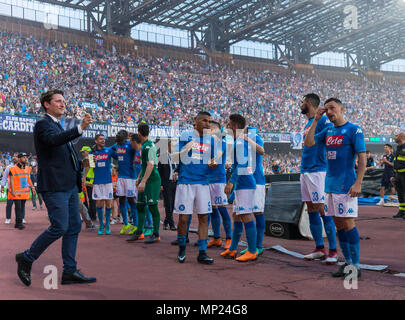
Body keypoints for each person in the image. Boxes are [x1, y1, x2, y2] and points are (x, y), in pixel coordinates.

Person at [15, 89, 96, 287]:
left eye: (63, 101)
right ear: (47, 104)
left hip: (68, 186)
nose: (63, 104)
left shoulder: (57, 126)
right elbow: (53, 141)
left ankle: (69, 271)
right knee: (60, 226)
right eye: (58, 101)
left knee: (74, 226)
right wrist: (79, 128)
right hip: (54, 186)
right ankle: (27, 258)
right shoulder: (43, 124)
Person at [304, 97, 366, 279]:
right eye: (327, 109)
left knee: (347, 223)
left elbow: (361, 158)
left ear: (341, 108)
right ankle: (347, 263)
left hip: (346, 184)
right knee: (339, 225)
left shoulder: (354, 130)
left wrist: (358, 183)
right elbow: (308, 143)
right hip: (329, 185)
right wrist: (316, 119)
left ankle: (355, 265)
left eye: (332, 108)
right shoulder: (328, 129)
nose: (329, 112)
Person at [173, 111, 217, 264]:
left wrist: (213, 163)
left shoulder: (211, 140)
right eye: (204, 121)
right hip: (186, 182)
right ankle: (182, 248)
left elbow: (213, 159)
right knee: (184, 218)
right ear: (196, 121)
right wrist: (187, 148)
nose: (207, 124)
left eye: (209, 121)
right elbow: (175, 156)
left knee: (204, 217)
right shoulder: (186, 135)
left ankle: (202, 253)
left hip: (203, 182)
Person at [299, 93, 338, 263]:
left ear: (308, 103)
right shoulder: (308, 123)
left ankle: (333, 251)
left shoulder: (322, 121)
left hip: (317, 170)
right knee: (311, 208)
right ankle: (319, 248)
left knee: (323, 210)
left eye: (302, 102)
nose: (300, 105)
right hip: (305, 170)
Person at [221, 114, 258, 262]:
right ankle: (233, 249)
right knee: (236, 215)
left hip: (245, 184)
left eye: (229, 125)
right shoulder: (239, 141)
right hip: (242, 184)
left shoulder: (240, 143)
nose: (227, 127)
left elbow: (242, 164)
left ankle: (252, 251)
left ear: (235, 127)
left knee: (246, 215)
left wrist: (231, 181)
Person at [127, 125, 162, 243]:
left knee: (152, 206)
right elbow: (145, 165)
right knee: (140, 205)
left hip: (152, 181)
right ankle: (139, 232)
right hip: (145, 179)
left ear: (139, 133)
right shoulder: (145, 145)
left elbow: (151, 165)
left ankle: (156, 233)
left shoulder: (148, 146)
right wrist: (139, 178)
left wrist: (143, 181)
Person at [239, 125, 267, 257]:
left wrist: (247, 139)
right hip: (246, 181)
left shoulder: (255, 137)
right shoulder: (240, 141)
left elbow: (262, 151)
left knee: (258, 212)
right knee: (246, 214)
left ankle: (258, 246)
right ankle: (252, 246)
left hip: (257, 181)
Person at [206, 121, 232, 250]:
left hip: (217, 180)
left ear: (215, 129)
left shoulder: (220, 142)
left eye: (209, 128)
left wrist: (214, 160)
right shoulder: (207, 143)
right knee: (212, 210)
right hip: (207, 180)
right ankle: (216, 238)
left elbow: (218, 155)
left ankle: (229, 238)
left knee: (221, 208)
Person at [110, 130, 138, 235]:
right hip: (120, 177)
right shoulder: (116, 146)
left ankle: (135, 225)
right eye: (116, 135)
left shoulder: (130, 145)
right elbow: (110, 150)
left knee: (131, 201)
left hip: (130, 177)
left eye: (119, 135)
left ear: (125, 137)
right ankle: (126, 224)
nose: (117, 137)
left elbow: (138, 150)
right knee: (121, 200)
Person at [91, 133, 114, 235]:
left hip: (108, 181)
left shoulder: (109, 150)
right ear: (96, 141)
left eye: (104, 139)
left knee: (109, 204)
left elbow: (118, 156)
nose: (103, 141)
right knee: (99, 204)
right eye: (100, 139)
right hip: (97, 182)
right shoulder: (92, 153)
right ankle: (101, 225)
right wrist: (92, 161)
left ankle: (107, 224)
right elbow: (91, 167)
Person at [8, 153, 36, 229]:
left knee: (22, 207)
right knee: (18, 207)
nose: (25, 159)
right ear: (19, 159)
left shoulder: (27, 168)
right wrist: (12, 191)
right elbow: (11, 180)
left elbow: (28, 179)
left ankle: (17, 223)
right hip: (16, 192)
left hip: (24, 192)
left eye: (26, 157)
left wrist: (32, 187)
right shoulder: (12, 169)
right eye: (23, 157)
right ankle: (19, 223)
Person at [157, 138, 178, 231]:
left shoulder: (177, 156)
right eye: (173, 145)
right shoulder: (163, 156)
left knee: (173, 204)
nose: (175, 147)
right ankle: (171, 223)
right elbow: (159, 171)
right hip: (166, 183)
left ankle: (166, 221)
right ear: (169, 146)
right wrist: (160, 184)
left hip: (175, 183)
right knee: (168, 204)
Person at [1, 152, 18, 224]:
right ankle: (8, 218)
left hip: (19, 189)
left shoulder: (22, 167)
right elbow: (4, 177)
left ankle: (21, 218)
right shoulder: (8, 167)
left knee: (19, 205)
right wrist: (2, 186)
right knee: (9, 204)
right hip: (10, 189)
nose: (14, 157)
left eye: (16, 156)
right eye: (14, 156)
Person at [80, 146, 97, 221]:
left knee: (92, 199)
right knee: (91, 199)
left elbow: (91, 169)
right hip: (90, 181)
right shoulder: (91, 157)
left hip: (91, 181)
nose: (82, 154)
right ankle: (91, 215)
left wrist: (84, 177)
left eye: (83, 152)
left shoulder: (91, 157)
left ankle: (91, 216)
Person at [392, 132, 405, 218]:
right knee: (400, 194)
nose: (394, 137)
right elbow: (396, 163)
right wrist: (394, 176)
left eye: (396, 136)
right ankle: (402, 211)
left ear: (401, 137)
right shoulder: (398, 148)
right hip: (398, 175)